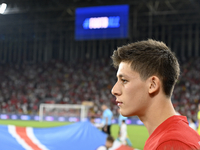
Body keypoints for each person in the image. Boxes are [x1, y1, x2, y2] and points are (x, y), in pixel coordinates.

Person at [111, 39, 200, 149]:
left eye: (124, 80)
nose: (114, 90)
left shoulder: (171, 143)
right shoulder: (171, 137)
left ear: (152, 85)